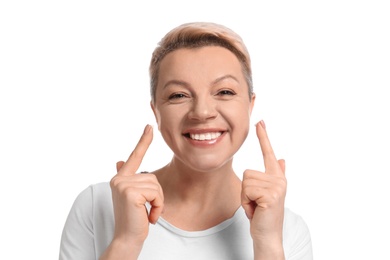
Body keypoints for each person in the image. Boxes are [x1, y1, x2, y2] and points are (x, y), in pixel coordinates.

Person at [59, 22, 313, 260]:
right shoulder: (98, 205)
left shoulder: (288, 230)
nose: (202, 112)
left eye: (224, 91)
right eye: (179, 95)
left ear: (250, 105)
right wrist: (126, 241)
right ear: (155, 111)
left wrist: (267, 242)